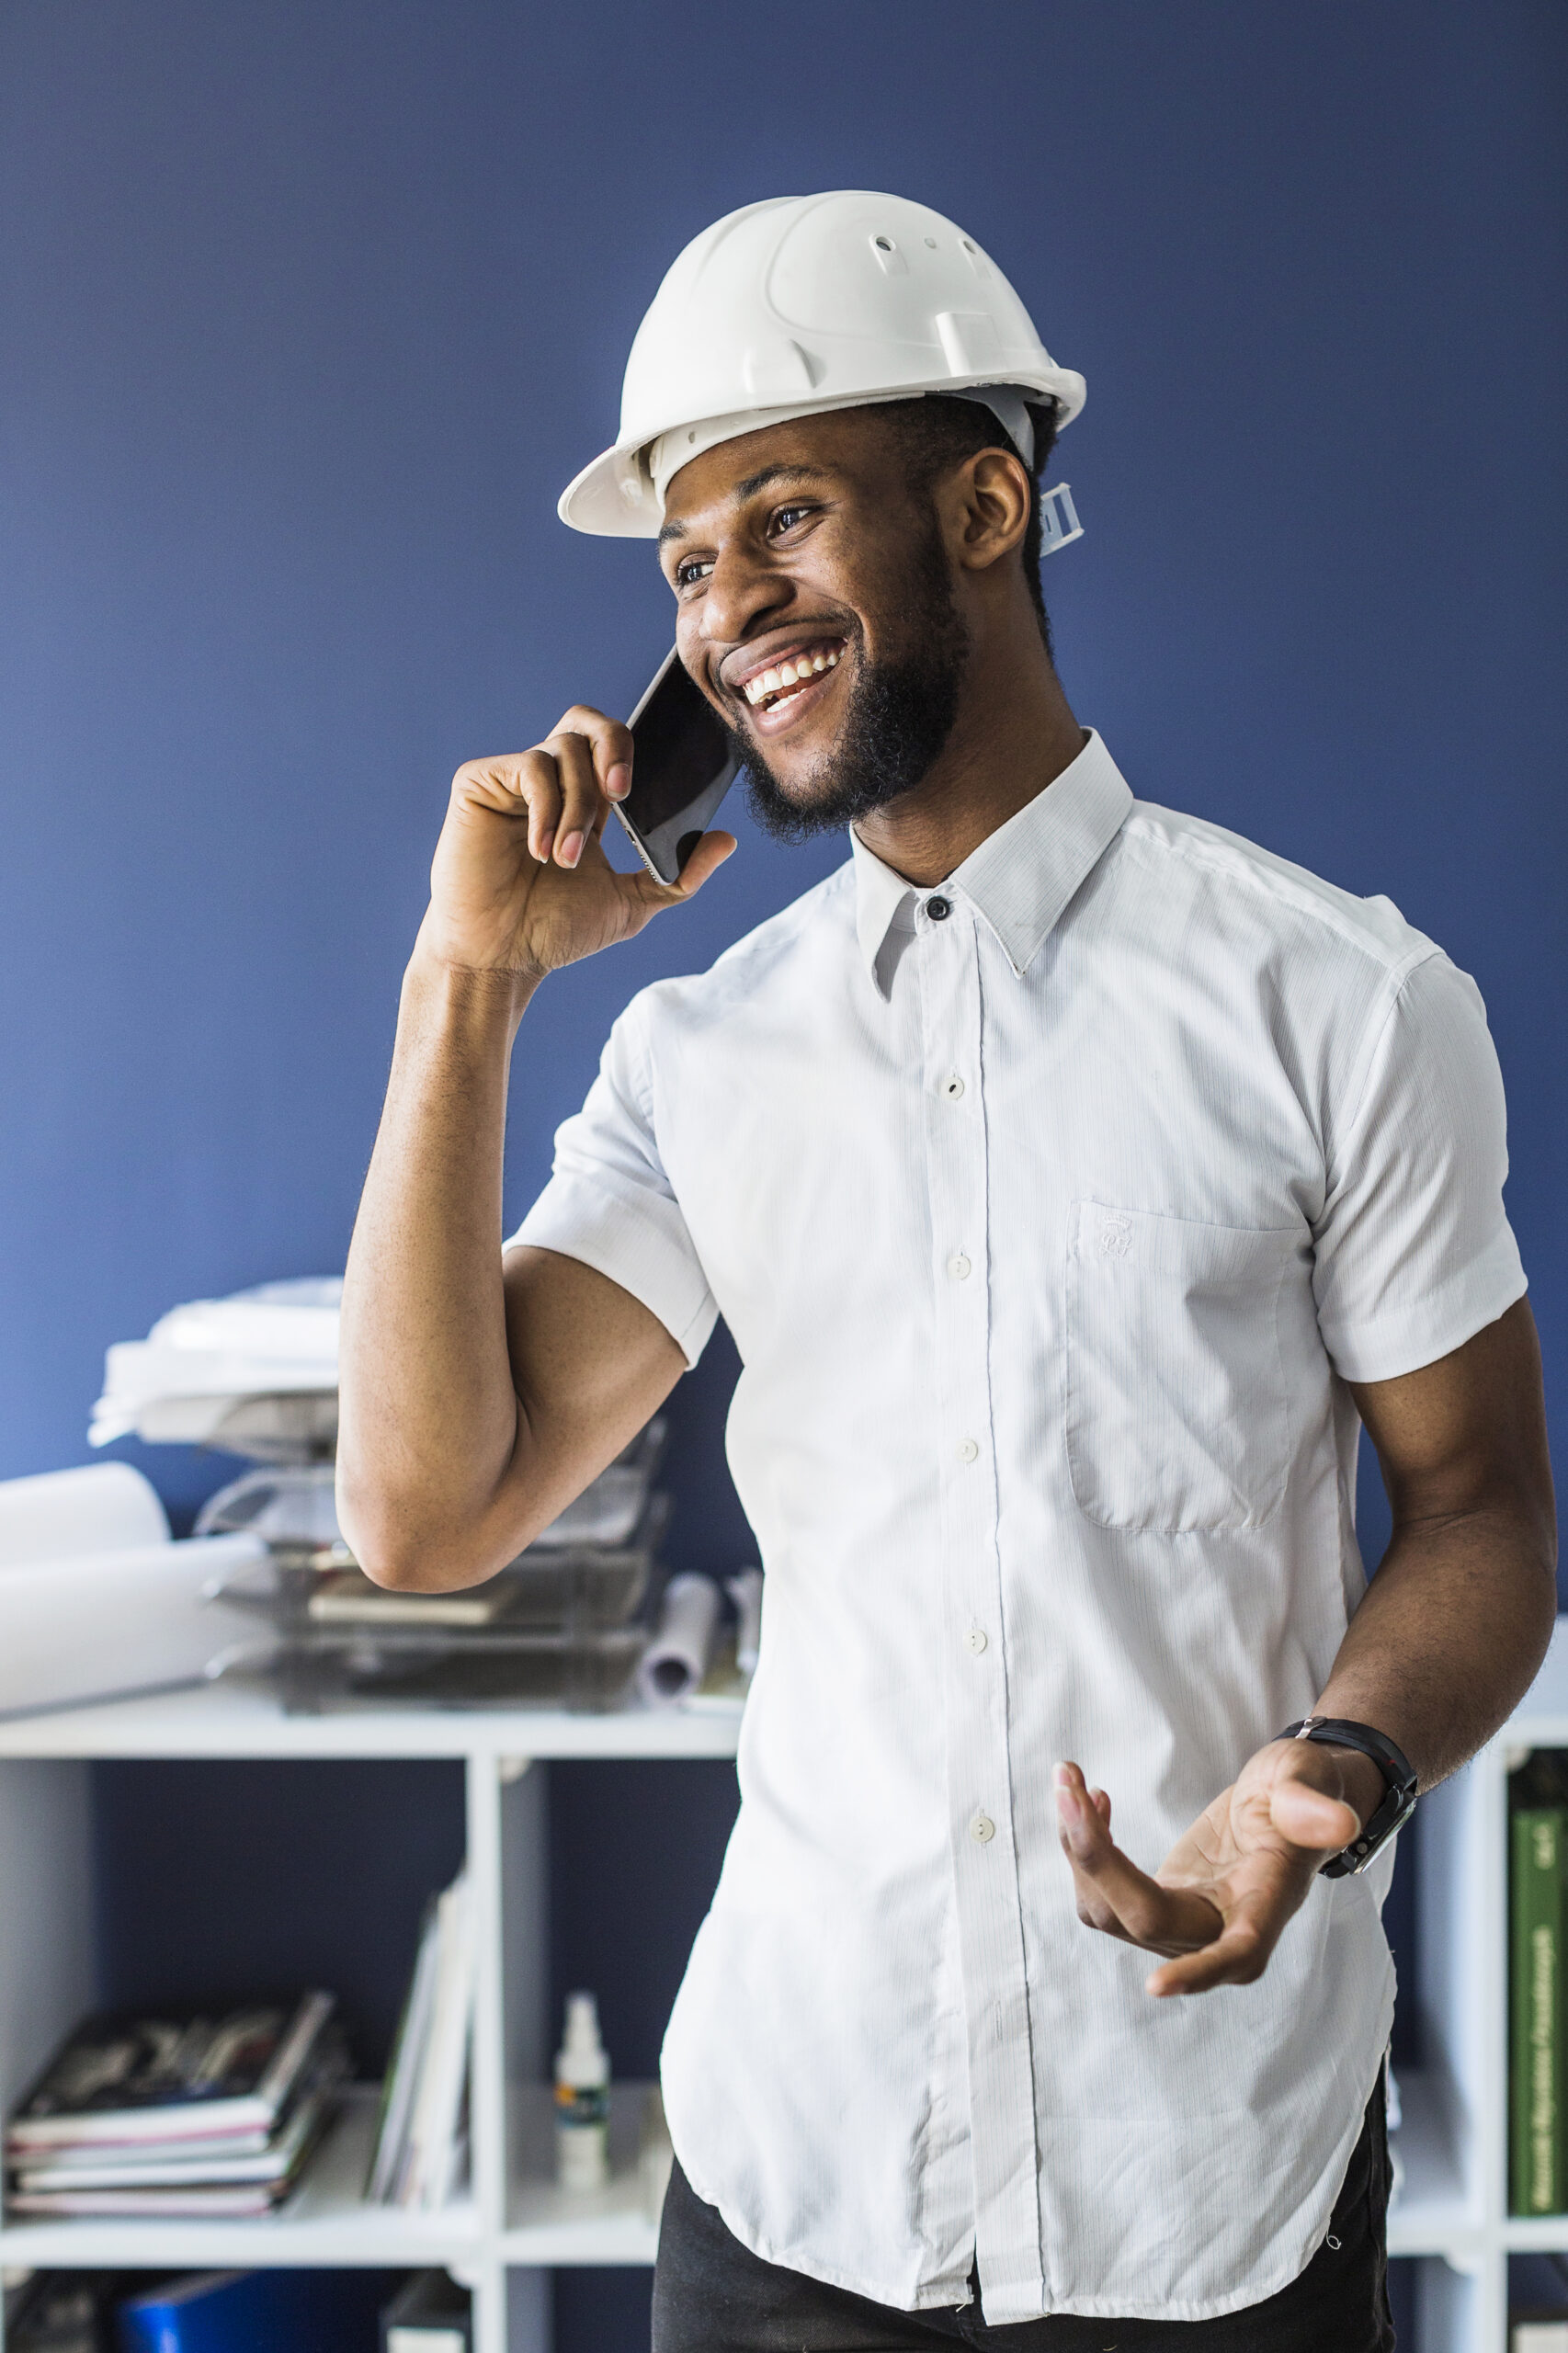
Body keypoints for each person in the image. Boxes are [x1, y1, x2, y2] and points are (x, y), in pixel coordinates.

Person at [335, 194, 1556, 2348]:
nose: (730, 613)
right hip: (800, 2172)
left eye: (784, 520)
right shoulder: (701, 1058)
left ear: (985, 503)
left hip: (1208, 2170)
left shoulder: (1340, 1000)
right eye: (688, 566)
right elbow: (429, 1514)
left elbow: (1479, 1509)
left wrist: (1333, 1772)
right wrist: (466, 985)